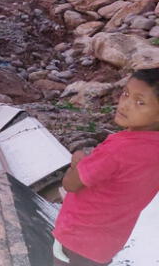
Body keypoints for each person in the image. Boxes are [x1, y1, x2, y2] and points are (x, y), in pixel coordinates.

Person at [52, 68, 159, 266]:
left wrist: (77, 163)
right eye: (126, 94)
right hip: (109, 242)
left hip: (78, 238)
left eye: (140, 102)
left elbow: (71, 184)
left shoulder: (117, 149)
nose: (125, 105)